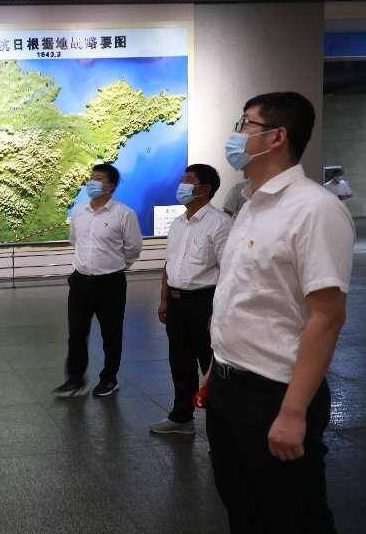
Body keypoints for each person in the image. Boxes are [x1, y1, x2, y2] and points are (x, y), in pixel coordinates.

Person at [203, 92, 354, 533]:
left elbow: (327, 316)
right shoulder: (251, 204)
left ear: (276, 137)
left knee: (293, 515)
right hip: (228, 386)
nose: (236, 134)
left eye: (245, 124)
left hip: (274, 393)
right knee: (241, 505)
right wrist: (216, 365)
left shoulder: (314, 209)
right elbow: (242, 296)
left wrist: (293, 412)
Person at [150, 164, 232, 435]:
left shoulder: (220, 224)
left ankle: (220, 429)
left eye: (188, 181)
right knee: (179, 361)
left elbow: (230, 271)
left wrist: (218, 311)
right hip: (177, 302)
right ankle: (181, 417)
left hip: (204, 302)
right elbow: (169, 263)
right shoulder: (178, 223)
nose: (181, 186)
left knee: (210, 365)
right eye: (182, 180)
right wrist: (164, 298)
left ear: (205, 189)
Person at [53, 163, 143, 398]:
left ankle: (109, 379)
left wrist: (116, 266)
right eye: (92, 177)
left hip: (110, 283)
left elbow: (133, 248)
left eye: (99, 178)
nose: (92, 182)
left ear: (111, 186)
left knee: (111, 334)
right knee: (76, 332)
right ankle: (75, 380)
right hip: (80, 281)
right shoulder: (79, 211)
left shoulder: (124, 214)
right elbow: (75, 241)